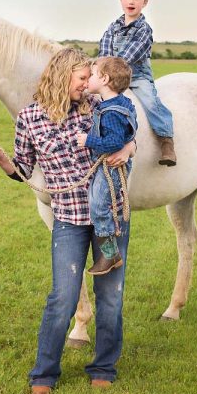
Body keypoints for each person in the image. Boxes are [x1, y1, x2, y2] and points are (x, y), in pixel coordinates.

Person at [0, 48, 135, 394]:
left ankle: (103, 366)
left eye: (88, 78)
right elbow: (22, 170)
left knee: (110, 298)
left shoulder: (96, 108)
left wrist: (130, 148)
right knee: (62, 298)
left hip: (109, 217)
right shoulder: (30, 118)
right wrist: (2, 161)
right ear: (63, 76)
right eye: (82, 79)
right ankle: (44, 372)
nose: (87, 85)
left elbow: (125, 131)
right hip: (68, 218)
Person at [99, 0, 176, 166]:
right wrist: (102, 70)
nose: (131, 1)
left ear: (145, 2)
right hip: (111, 75)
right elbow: (105, 51)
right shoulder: (113, 27)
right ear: (121, 0)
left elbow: (128, 56)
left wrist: (110, 68)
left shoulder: (144, 30)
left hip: (137, 77)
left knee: (151, 103)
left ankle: (166, 140)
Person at [76, 56, 137, 276]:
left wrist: (88, 140)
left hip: (108, 166)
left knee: (98, 207)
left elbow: (114, 143)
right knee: (98, 202)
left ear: (104, 78)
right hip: (107, 165)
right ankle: (110, 253)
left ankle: (110, 254)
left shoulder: (110, 112)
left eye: (91, 74)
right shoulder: (122, 103)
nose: (88, 79)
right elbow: (133, 123)